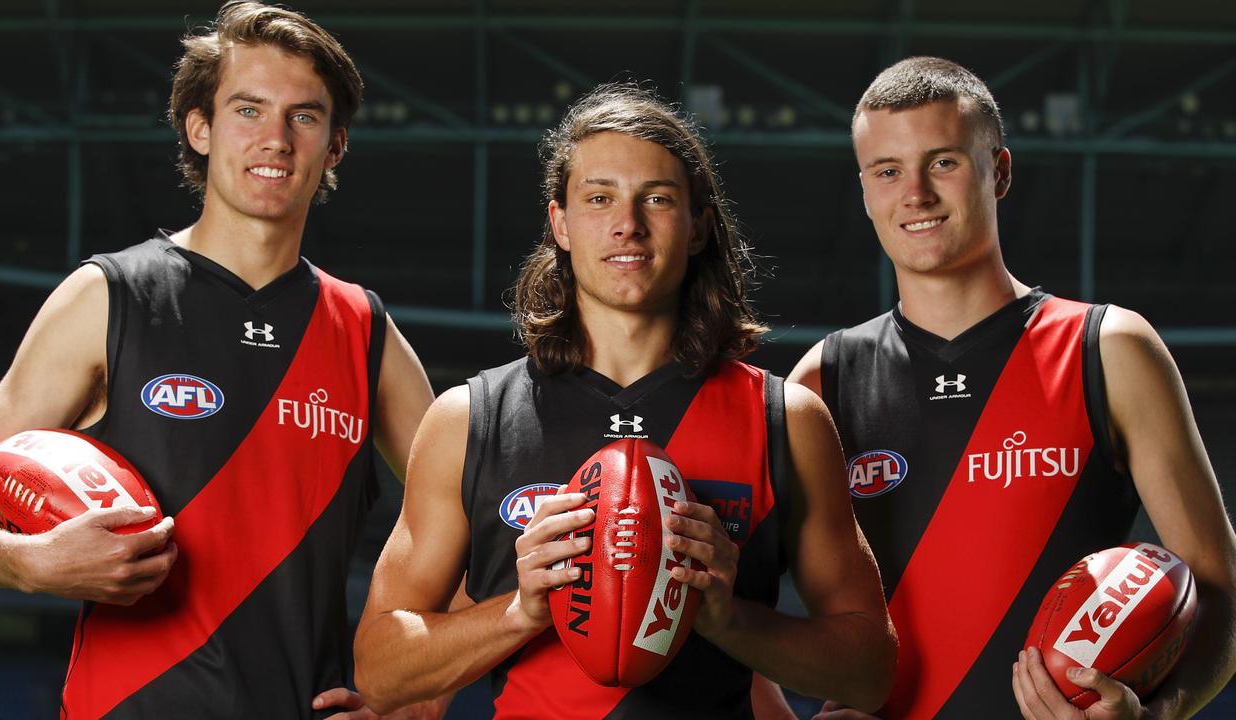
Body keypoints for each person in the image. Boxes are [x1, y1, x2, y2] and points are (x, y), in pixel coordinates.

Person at [352, 83, 897, 719]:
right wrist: (521, 611)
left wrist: (729, 620)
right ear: (559, 222)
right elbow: (380, 669)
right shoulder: (470, 419)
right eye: (599, 197)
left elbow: (869, 673)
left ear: (697, 227)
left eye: (657, 200)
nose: (626, 224)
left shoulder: (785, 420)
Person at [0, 3, 436, 718]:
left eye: (304, 117)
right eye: (248, 109)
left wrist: (415, 703)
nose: (275, 138)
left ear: (335, 146)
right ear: (200, 128)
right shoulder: (107, 298)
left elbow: (465, 526)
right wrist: (31, 564)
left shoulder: (366, 333)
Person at [790, 56, 1236, 719]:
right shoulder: (822, 380)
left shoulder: (1109, 349)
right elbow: (754, 608)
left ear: (998, 171)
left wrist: (1155, 716)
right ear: (865, 191)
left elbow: (1220, 591)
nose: (914, 193)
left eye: (943, 162)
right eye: (887, 171)